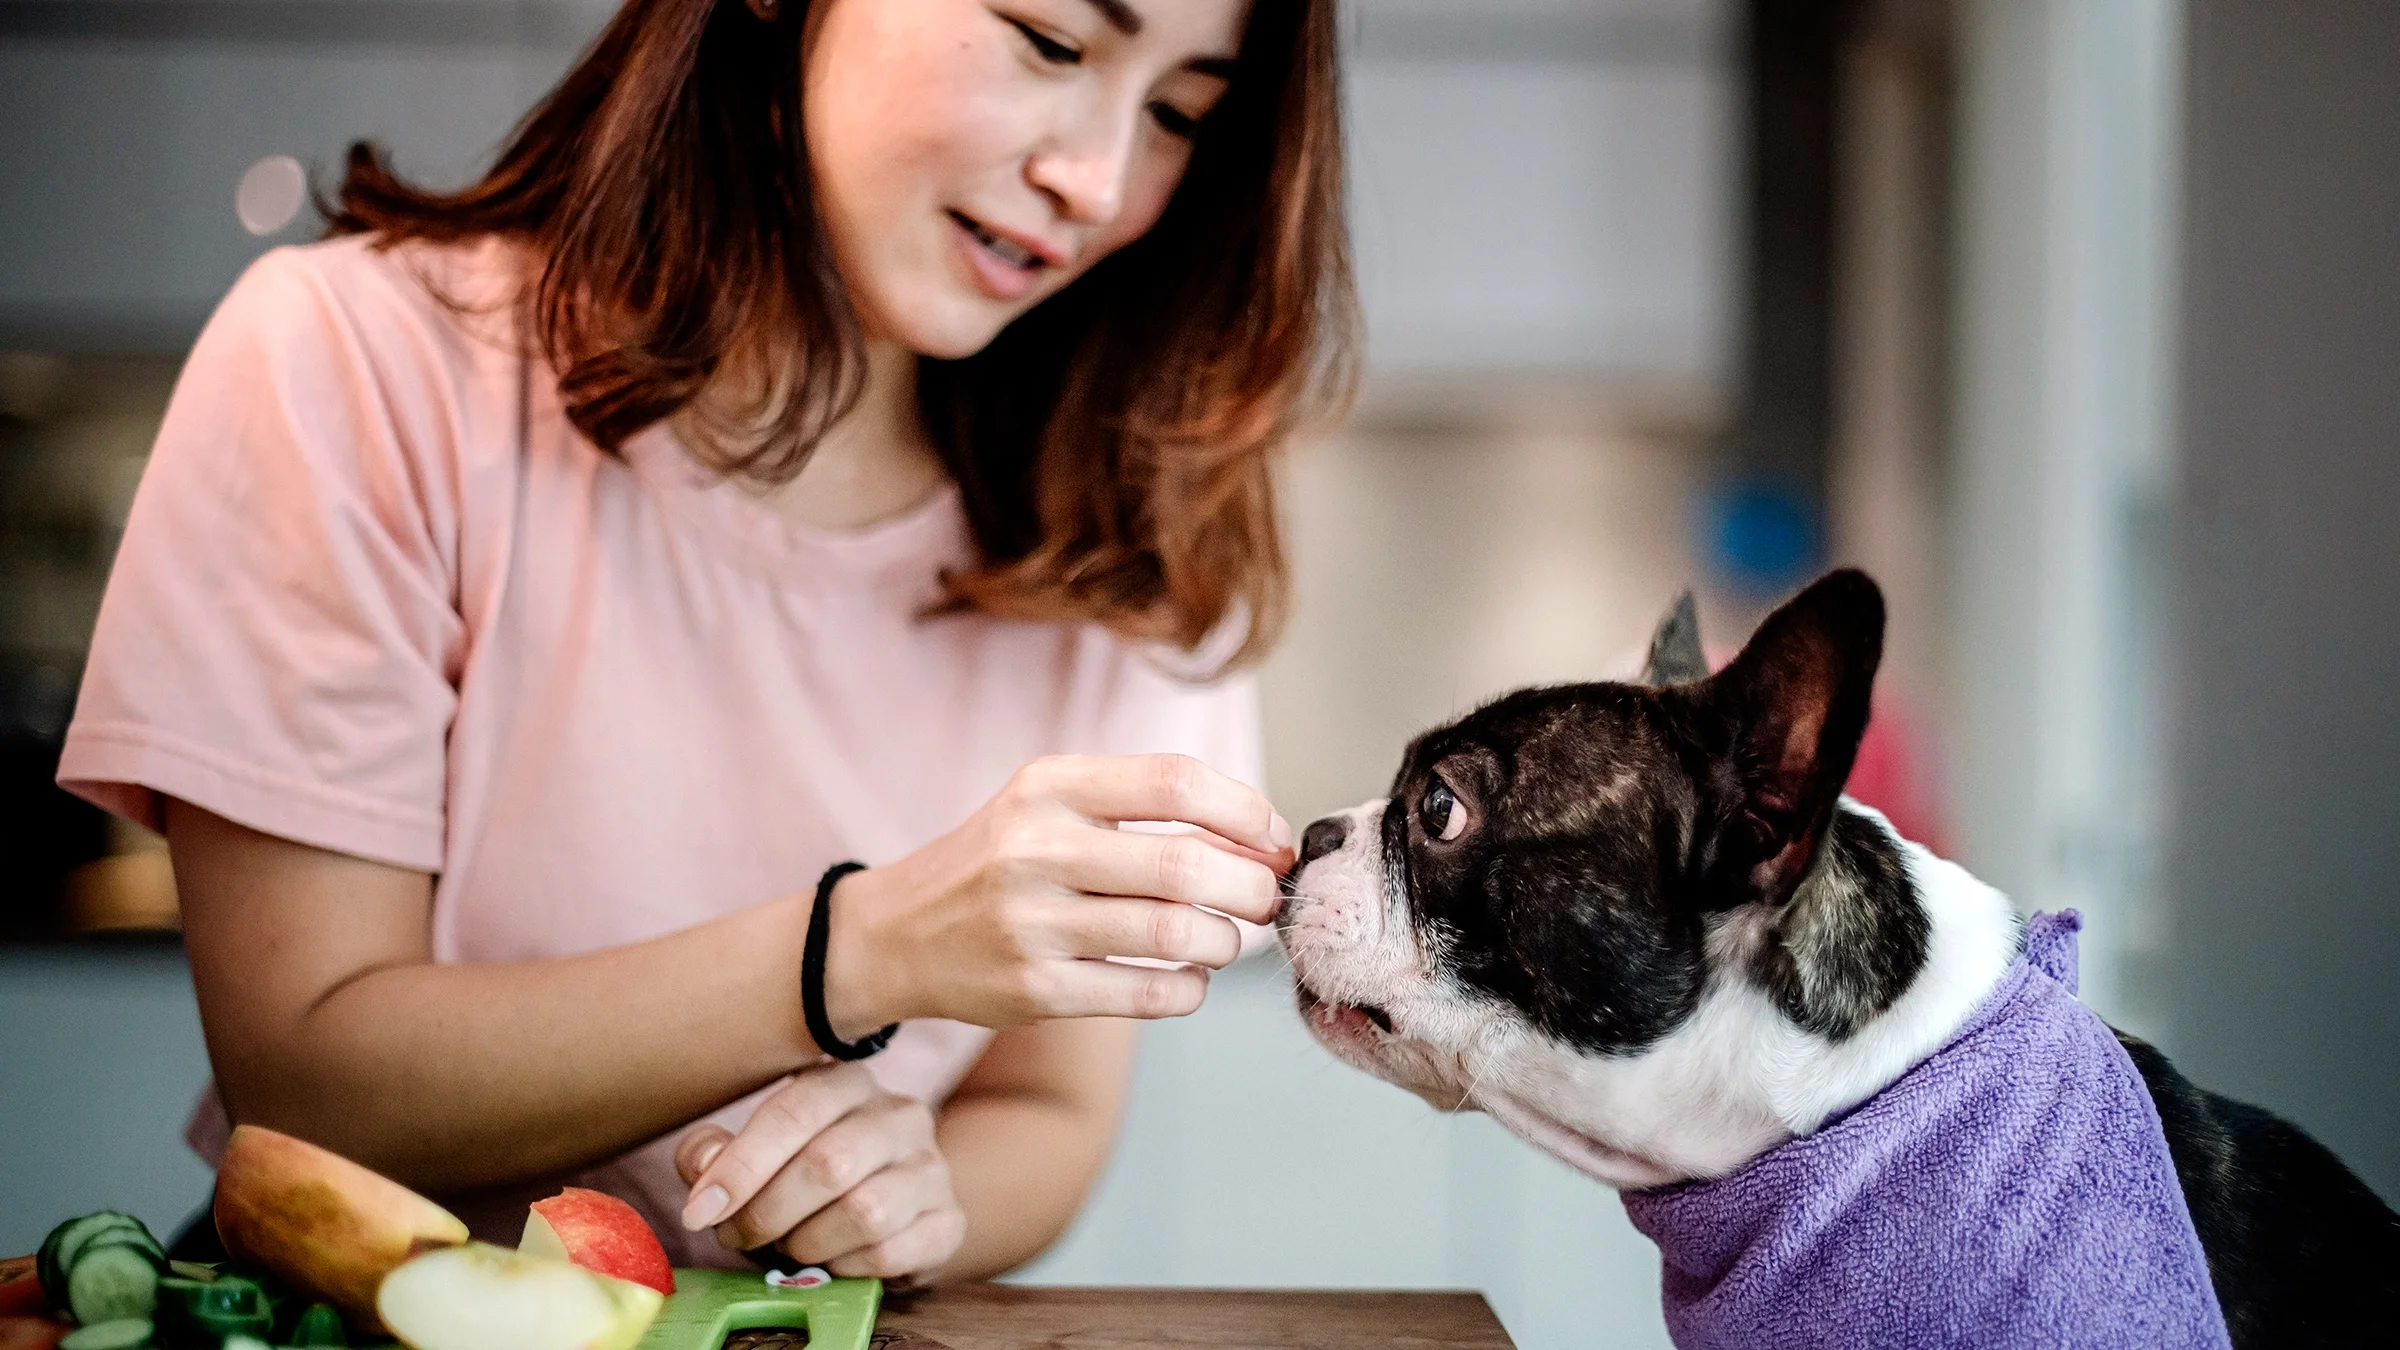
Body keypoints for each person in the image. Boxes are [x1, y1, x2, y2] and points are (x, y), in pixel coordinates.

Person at [57, 0, 1353, 1286]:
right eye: (1051, 44)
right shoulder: (354, 363)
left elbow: (1052, 1107)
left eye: (1181, 113)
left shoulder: (1120, 515)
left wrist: (921, 1191)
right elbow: (307, 1085)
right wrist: (856, 952)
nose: (1099, 179)